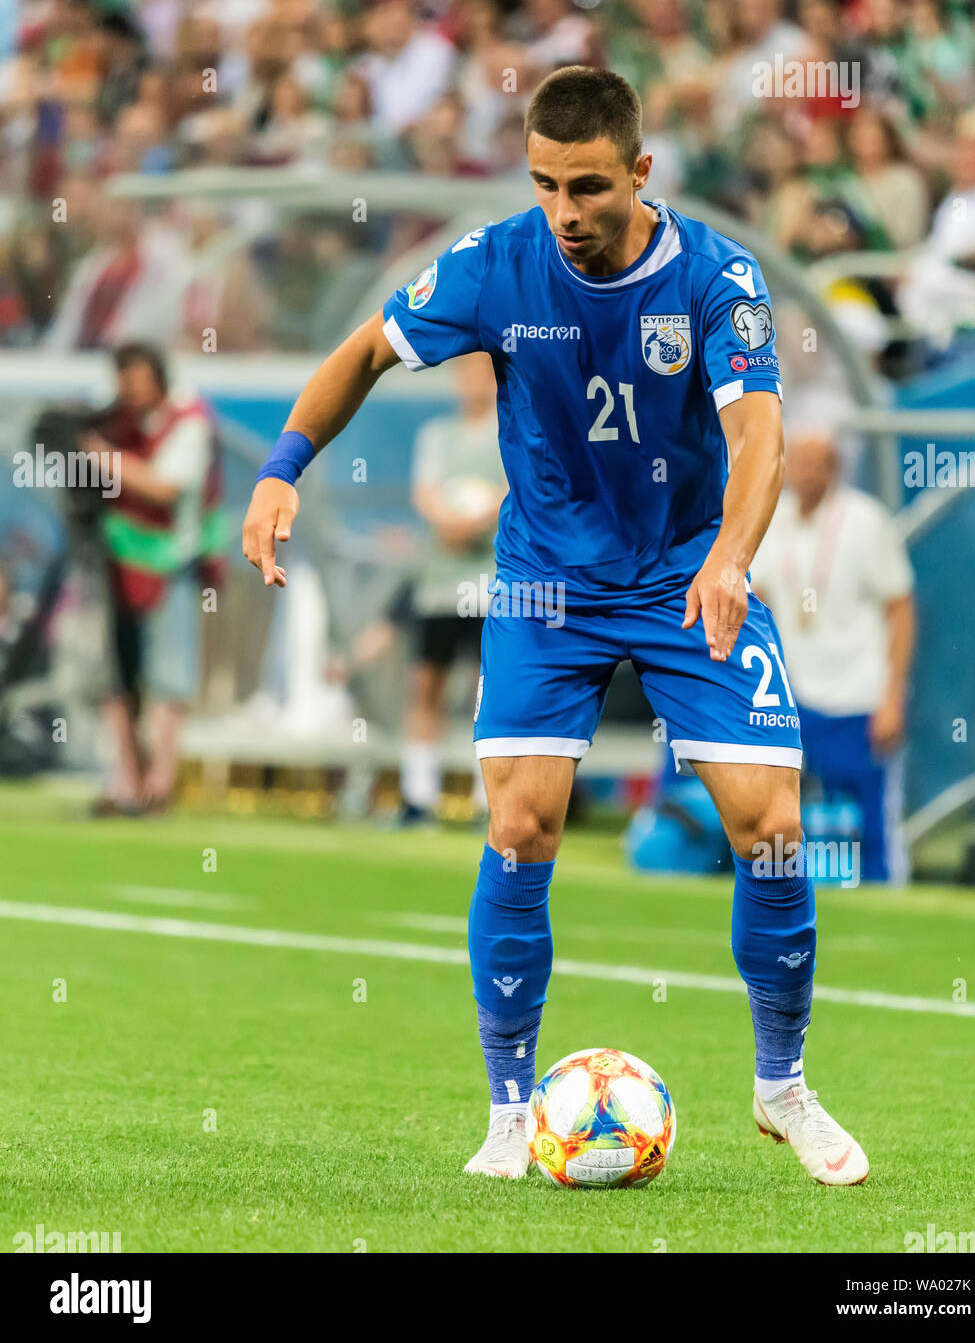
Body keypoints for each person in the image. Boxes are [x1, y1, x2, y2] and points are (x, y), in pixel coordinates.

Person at [243, 67, 868, 1188]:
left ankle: (782, 1085)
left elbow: (761, 435)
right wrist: (282, 468)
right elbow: (364, 352)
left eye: (586, 187)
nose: (565, 211)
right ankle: (502, 1106)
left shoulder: (720, 280)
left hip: (684, 571)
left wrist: (728, 558)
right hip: (546, 581)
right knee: (522, 822)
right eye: (545, 186)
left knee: (770, 822)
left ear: (640, 171)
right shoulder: (494, 264)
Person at [750, 430, 916, 884]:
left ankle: (889, 897)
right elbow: (757, 600)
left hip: (858, 693)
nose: (806, 473)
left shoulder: (866, 521)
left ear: (835, 469)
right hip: (795, 696)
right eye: (798, 462)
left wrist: (892, 696)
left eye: (816, 463)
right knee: (789, 818)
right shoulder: (773, 519)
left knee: (874, 820)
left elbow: (900, 608)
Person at [89, 342, 224, 814]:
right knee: (114, 678)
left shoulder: (188, 419)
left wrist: (101, 457)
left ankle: (158, 785)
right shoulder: (116, 419)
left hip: (172, 561)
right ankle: (127, 780)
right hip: (118, 562)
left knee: (170, 678)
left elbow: (166, 486)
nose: (129, 390)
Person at [401, 350, 507, 823]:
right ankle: (419, 796)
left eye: (482, 374)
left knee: (489, 688)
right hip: (440, 584)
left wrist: (477, 521)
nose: (473, 383)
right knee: (426, 685)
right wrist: (448, 520)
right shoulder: (436, 436)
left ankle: (490, 800)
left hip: (492, 583)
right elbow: (424, 492)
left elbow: (516, 490)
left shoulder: (511, 433)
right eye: (466, 374)